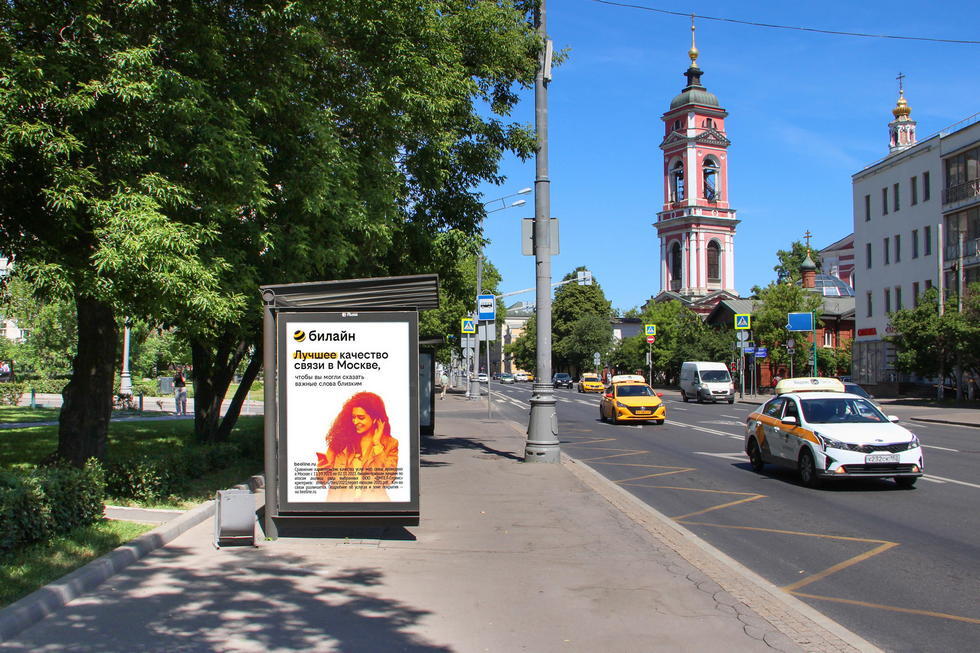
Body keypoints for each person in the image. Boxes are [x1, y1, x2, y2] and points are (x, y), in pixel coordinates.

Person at [316, 392, 399, 501]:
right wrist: (322, 470)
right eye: (353, 417)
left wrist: (377, 444)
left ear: (375, 418)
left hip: (373, 505)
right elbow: (323, 480)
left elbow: (388, 480)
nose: (355, 422)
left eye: (361, 417)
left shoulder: (390, 444)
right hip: (341, 503)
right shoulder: (340, 441)